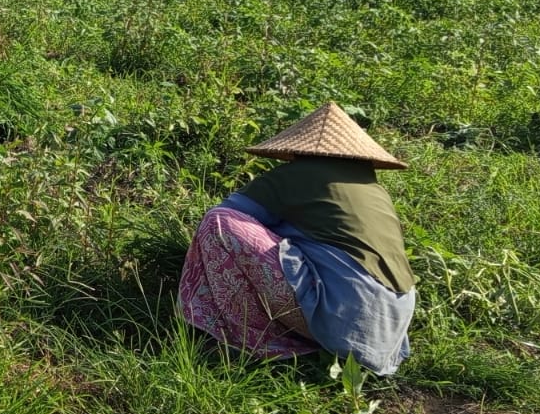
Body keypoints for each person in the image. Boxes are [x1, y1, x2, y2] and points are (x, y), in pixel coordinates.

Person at [176, 101, 417, 376]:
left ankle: (251, 339)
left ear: (299, 150)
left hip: (343, 317)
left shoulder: (297, 175)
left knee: (218, 222)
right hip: (389, 329)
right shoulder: (374, 189)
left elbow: (230, 215)